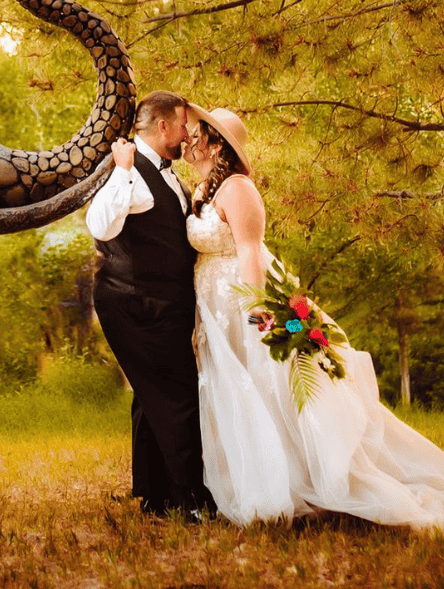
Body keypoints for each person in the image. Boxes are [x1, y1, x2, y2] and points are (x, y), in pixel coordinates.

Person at [183, 104, 444, 528]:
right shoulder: (204, 190)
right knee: (235, 390)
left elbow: (250, 251)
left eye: (197, 135)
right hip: (213, 304)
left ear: (216, 145)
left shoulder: (238, 189)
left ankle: (298, 484)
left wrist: (256, 310)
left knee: (266, 387)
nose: (188, 141)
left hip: (242, 300)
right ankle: (253, 480)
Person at [85, 90, 215, 519]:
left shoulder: (166, 173)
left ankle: (155, 496)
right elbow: (100, 225)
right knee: (177, 396)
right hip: (136, 303)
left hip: (161, 302)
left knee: (150, 396)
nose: (187, 135)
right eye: (183, 126)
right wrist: (123, 171)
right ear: (163, 126)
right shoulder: (128, 168)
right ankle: (190, 501)